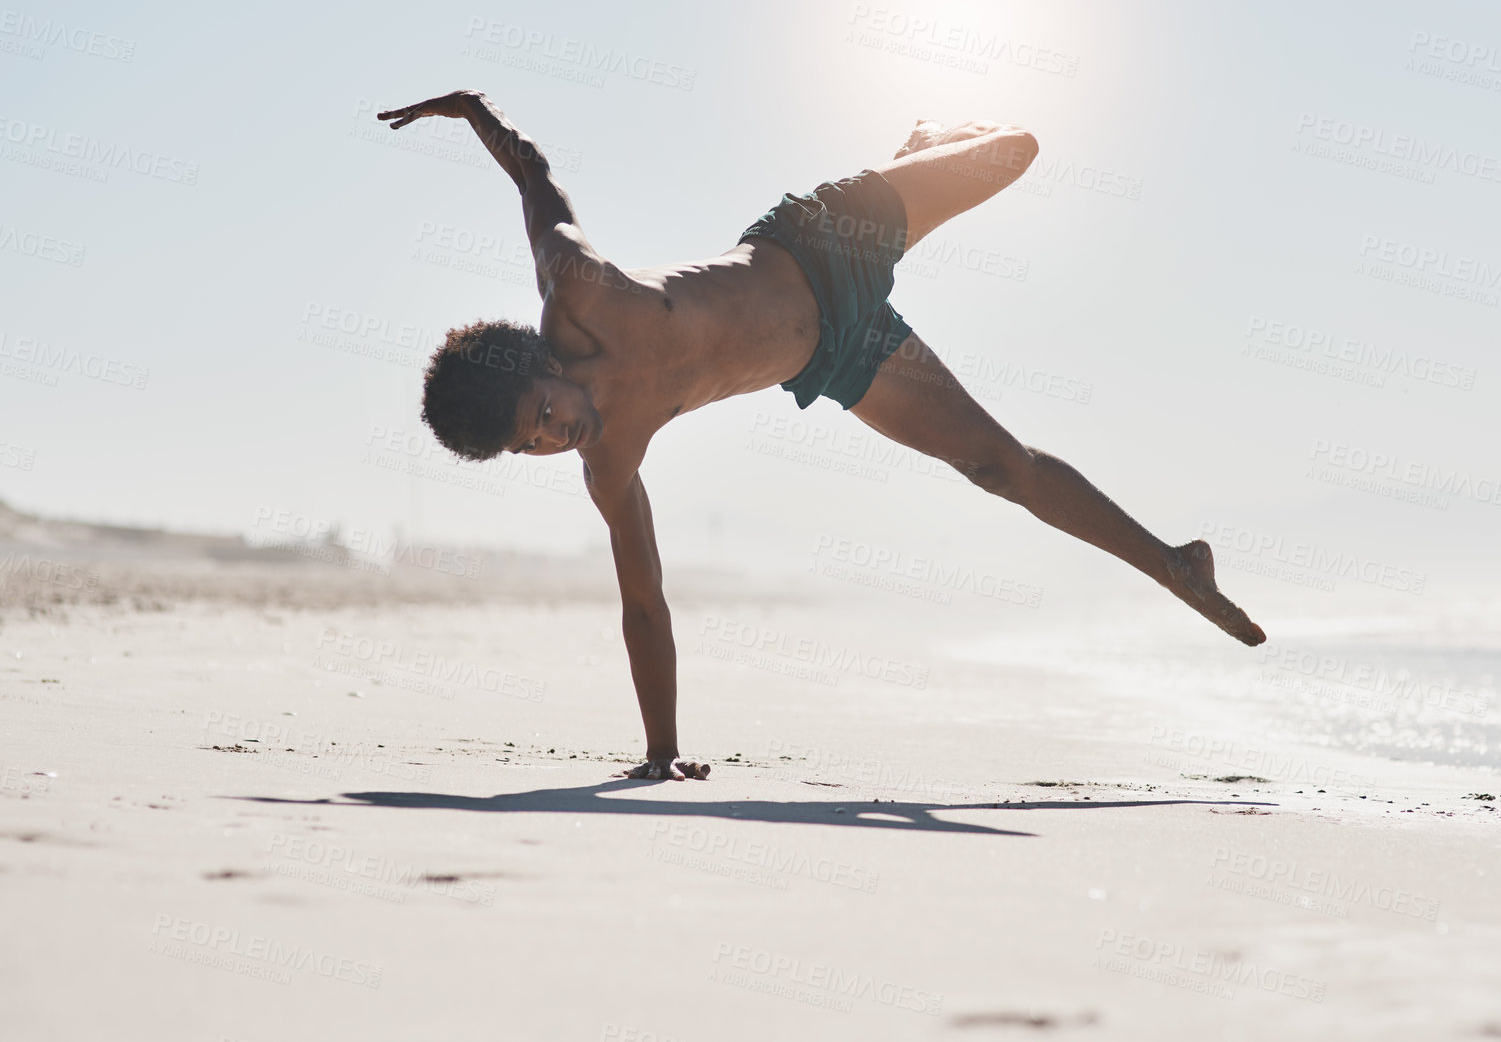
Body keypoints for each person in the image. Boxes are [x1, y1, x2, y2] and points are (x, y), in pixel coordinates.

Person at [378, 90, 1266, 781]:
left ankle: (925, 144)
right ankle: (1175, 563)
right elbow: (644, 602)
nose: (554, 438)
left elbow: (534, 176)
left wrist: (470, 109)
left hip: (823, 245)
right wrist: (661, 751)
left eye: (541, 414)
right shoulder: (611, 461)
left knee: (1015, 150)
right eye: (531, 448)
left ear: (534, 358)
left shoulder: (576, 284)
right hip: (837, 355)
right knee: (997, 466)